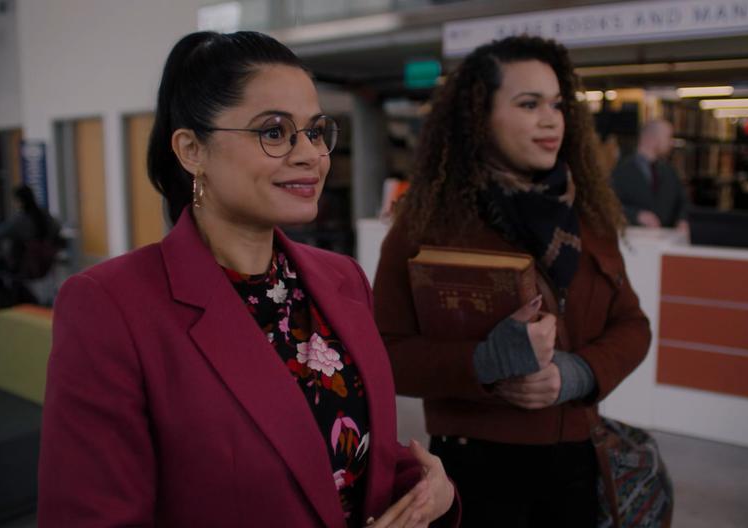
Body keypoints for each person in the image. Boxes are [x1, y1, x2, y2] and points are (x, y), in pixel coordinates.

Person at [38, 31, 457, 528]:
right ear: (192, 149)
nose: (310, 155)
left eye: (316, 130)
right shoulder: (111, 307)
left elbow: (351, 450)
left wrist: (429, 490)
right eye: (275, 132)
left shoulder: (341, 278)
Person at [373, 36, 651, 527]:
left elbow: (632, 325)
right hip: (475, 471)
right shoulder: (426, 225)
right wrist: (483, 362)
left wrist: (578, 374)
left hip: (575, 462)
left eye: (557, 105)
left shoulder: (588, 215)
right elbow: (385, 354)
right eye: (529, 104)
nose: (551, 119)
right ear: (480, 117)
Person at [0, 185, 61, 306]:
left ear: (19, 201)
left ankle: (3, 300)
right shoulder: (45, 215)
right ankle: (17, 294)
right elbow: (57, 230)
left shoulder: (19, 220)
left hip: (25, 266)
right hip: (45, 263)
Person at [611, 119, 690, 229]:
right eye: (668, 137)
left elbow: (682, 203)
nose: (671, 142)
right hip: (636, 238)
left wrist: (683, 219)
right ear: (652, 138)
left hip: (667, 239)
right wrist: (636, 215)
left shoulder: (670, 172)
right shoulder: (621, 171)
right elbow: (609, 206)